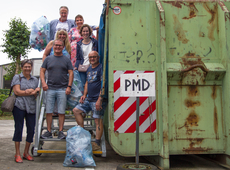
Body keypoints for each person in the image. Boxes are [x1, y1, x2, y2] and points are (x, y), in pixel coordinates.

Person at [73, 51, 107, 151]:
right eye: (90, 57)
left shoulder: (101, 68)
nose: (92, 59)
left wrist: (100, 98)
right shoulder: (89, 68)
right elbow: (87, 82)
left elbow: (103, 83)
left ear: (98, 57)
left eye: (94, 57)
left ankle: (97, 142)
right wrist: (84, 95)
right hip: (89, 98)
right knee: (76, 110)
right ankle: (83, 134)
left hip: (97, 99)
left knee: (97, 120)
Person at [40, 39, 73, 140]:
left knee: (61, 112)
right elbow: (42, 71)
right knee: (49, 111)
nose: (57, 47)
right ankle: (49, 131)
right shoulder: (48, 59)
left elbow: (71, 73)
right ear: (53, 47)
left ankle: (61, 132)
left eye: (60, 46)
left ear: (63, 47)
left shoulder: (66, 59)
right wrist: (43, 83)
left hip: (62, 89)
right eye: (56, 45)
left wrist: (69, 86)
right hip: (50, 88)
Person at [11, 59, 40, 163]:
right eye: (25, 66)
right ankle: (17, 153)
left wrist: (33, 91)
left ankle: (26, 152)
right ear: (22, 67)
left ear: (31, 67)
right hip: (19, 106)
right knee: (18, 129)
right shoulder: (17, 77)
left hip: (31, 107)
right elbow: (17, 91)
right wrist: (30, 92)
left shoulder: (35, 80)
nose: (27, 68)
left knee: (31, 130)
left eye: (29, 66)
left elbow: (38, 92)